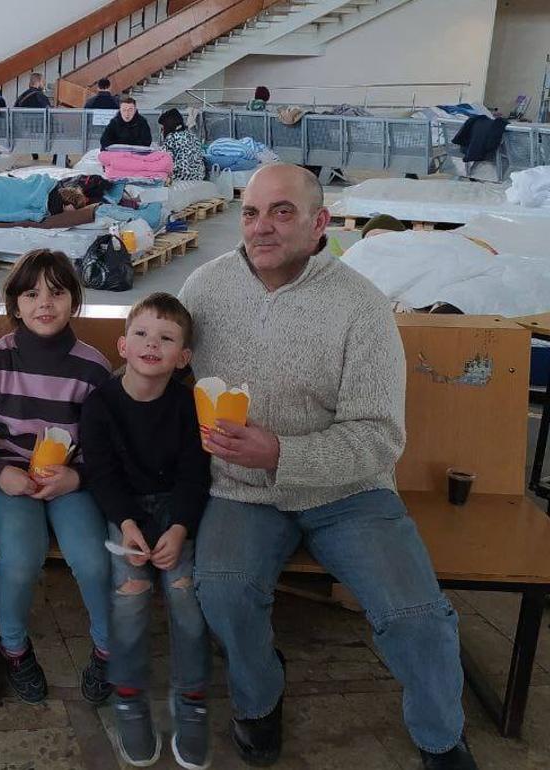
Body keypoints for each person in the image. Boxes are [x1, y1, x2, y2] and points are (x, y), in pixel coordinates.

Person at [179, 164, 478, 770]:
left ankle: (441, 739)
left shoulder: (360, 306)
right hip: (241, 490)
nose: (262, 227)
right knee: (225, 591)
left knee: (416, 617)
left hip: (349, 493)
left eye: (282, 212)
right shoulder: (203, 290)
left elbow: (379, 438)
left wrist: (283, 453)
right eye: (252, 212)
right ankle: (260, 696)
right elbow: (161, 376)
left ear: (320, 223)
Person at [0, 249, 112, 705]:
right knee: (20, 559)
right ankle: (13, 649)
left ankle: (108, 649)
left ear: (74, 302)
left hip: (69, 480)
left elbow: (107, 448)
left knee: (93, 559)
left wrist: (76, 479)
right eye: (32, 293)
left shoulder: (92, 367)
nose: (45, 303)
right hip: (13, 479)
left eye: (57, 293)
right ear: (15, 304)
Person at [79, 292, 212, 769]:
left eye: (166, 337)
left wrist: (179, 528)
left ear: (183, 357)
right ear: (122, 344)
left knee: (184, 593)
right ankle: (129, 696)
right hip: (126, 511)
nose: (152, 344)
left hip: (178, 510)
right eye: (141, 333)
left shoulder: (188, 405)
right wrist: (129, 525)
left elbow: (196, 476)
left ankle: (192, 698)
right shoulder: (100, 405)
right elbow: (101, 473)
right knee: (131, 594)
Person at [158, 108, 206, 181]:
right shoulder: (192, 136)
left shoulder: (171, 138)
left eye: (163, 127)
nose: (162, 131)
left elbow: (164, 162)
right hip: (198, 177)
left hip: (180, 178)